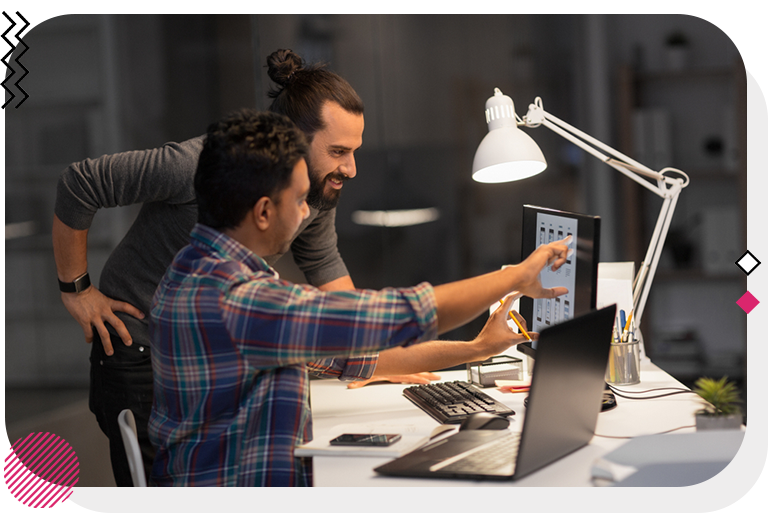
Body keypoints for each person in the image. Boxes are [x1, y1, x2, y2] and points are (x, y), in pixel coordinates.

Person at [51, 47, 524, 486]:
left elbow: (331, 289)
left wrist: (471, 347)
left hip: (200, 353)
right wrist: (77, 289)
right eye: (339, 152)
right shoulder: (211, 205)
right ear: (265, 205)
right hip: (134, 344)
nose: (350, 170)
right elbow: (81, 183)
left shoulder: (233, 274)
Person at [148, 109, 570, 486]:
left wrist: (477, 348)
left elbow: (359, 356)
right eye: (298, 200)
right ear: (262, 212)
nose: (305, 212)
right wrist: (515, 277)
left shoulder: (195, 267)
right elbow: (394, 316)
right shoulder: (236, 300)